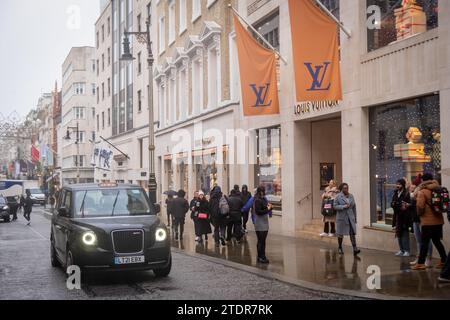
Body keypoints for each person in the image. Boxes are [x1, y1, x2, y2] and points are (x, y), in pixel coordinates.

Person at [411, 173, 447, 270]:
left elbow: (420, 206)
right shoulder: (438, 188)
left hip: (427, 221)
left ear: (423, 180)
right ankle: (444, 260)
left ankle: (421, 263)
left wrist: (419, 214)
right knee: (437, 241)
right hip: (439, 220)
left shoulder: (422, 191)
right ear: (432, 179)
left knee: (424, 242)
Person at [409, 184, 433, 267]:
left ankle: (428, 258)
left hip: (423, 220)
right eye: (411, 187)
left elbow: (421, 207)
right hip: (415, 220)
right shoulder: (413, 195)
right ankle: (419, 258)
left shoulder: (422, 194)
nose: (412, 188)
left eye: (413, 187)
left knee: (426, 240)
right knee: (418, 240)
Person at [333, 183, 360, 256]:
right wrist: (343, 206)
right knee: (340, 234)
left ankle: (355, 248)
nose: (346, 189)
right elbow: (335, 206)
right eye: (344, 188)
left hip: (350, 218)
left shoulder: (351, 196)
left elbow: (354, 207)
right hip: (342, 218)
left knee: (352, 232)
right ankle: (340, 247)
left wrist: (355, 218)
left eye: (347, 188)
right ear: (341, 189)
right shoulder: (338, 196)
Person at [391, 178, 412, 257]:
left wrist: (399, 205)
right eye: (397, 184)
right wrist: (395, 204)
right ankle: (401, 250)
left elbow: (407, 205)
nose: (397, 185)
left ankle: (407, 250)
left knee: (405, 234)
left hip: (404, 217)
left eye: (399, 184)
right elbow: (393, 203)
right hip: (397, 216)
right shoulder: (395, 193)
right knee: (398, 233)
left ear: (402, 185)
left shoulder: (406, 194)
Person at [253, 186, 272, 264]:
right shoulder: (257, 200)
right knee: (261, 240)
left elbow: (266, 208)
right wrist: (267, 209)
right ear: (260, 191)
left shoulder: (264, 199)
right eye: (262, 191)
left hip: (265, 222)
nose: (263, 192)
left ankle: (262, 256)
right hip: (259, 223)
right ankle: (261, 256)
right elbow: (258, 212)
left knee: (263, 241)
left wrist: (270, 208)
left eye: (264, 191)